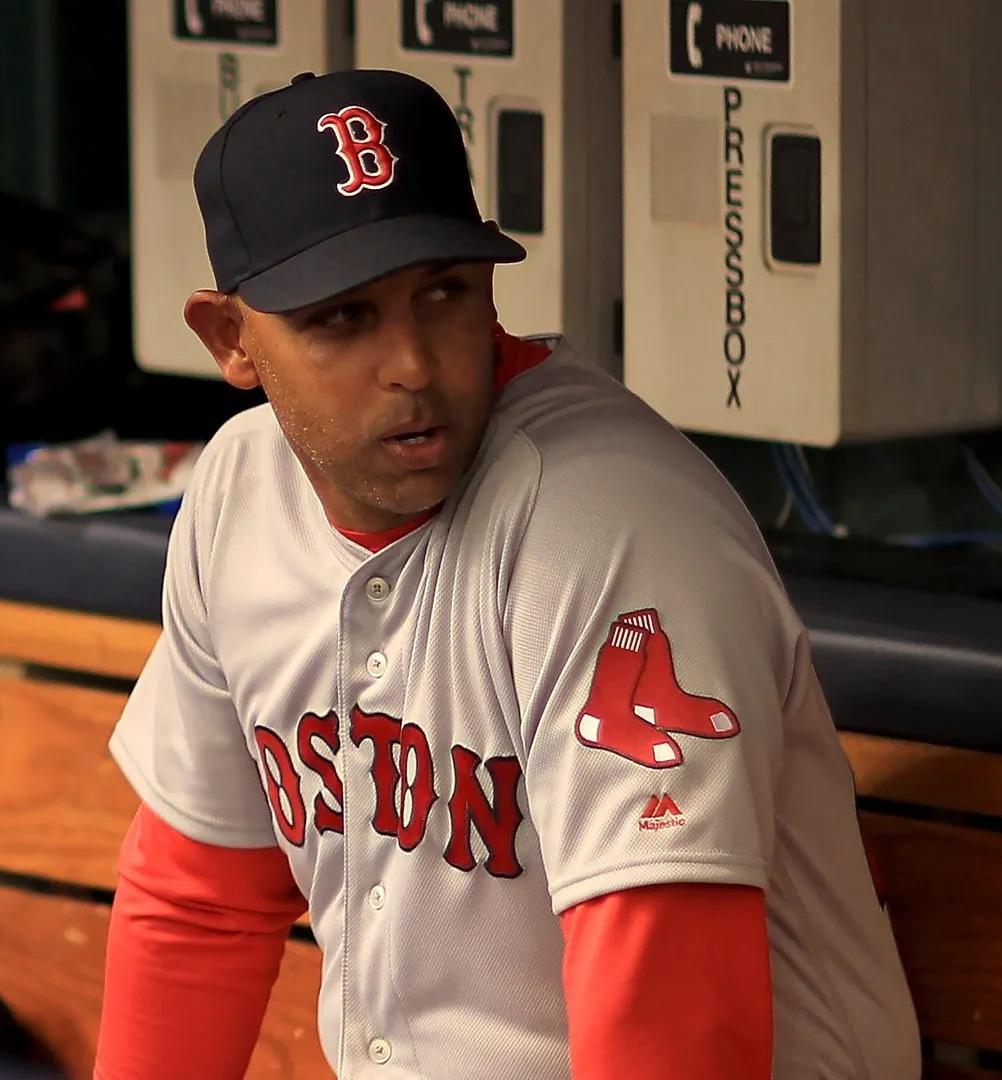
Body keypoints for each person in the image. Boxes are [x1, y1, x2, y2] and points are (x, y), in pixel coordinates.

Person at [92, 68, 920, 1080]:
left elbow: (672, 1018)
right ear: (232, 340)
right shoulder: (237, 493)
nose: (413, 364)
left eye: (443, 291)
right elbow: (199, 901)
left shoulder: (610, 522)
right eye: (344, 318)